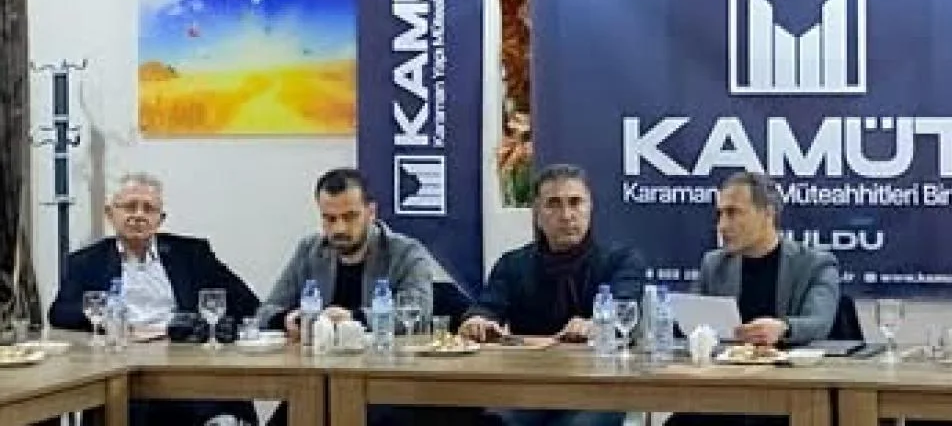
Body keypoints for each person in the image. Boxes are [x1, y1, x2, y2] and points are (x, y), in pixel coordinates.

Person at [260, 168, 474, 426]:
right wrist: (289, 319)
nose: (339, 228)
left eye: (350, 217)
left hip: (386, 383)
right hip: (319, 380)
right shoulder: (310, 250)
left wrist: (353, 319)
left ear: (371, 212)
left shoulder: (405, 252)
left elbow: (417, 313)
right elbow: (266, 311)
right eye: (329, 219)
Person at [48, 172, 258, 426]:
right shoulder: (87, 261)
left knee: (211, 403)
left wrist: (194, 326)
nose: (138, 215)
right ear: (110, 214)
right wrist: (116, 323)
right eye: (129, 206)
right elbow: (60, 312)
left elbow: (246, 302)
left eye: (148, 209)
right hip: (121, 362)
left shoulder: (192, 254)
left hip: (184, 358)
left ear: (160, 219)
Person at [460, 164, 644, 426]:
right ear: (536, 214)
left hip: (599, 387)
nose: (566, 215)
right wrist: (477, 321)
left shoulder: (621, 261)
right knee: (494, 420)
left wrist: (596, 325)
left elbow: (623, 311)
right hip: (531, 385)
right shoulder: (513, 264)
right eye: (553, 204)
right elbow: (487, 307)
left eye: (575, 202)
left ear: (590, 208)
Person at [665, 171, 840, 426]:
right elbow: (689, 324)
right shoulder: (714, 264)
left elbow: (819, 320)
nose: (722, 226)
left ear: (768, 214)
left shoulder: (814, 264)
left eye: (733, 213)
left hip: (790, 393)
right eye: (720, 214)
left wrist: (783, 328)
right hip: (725, 391)